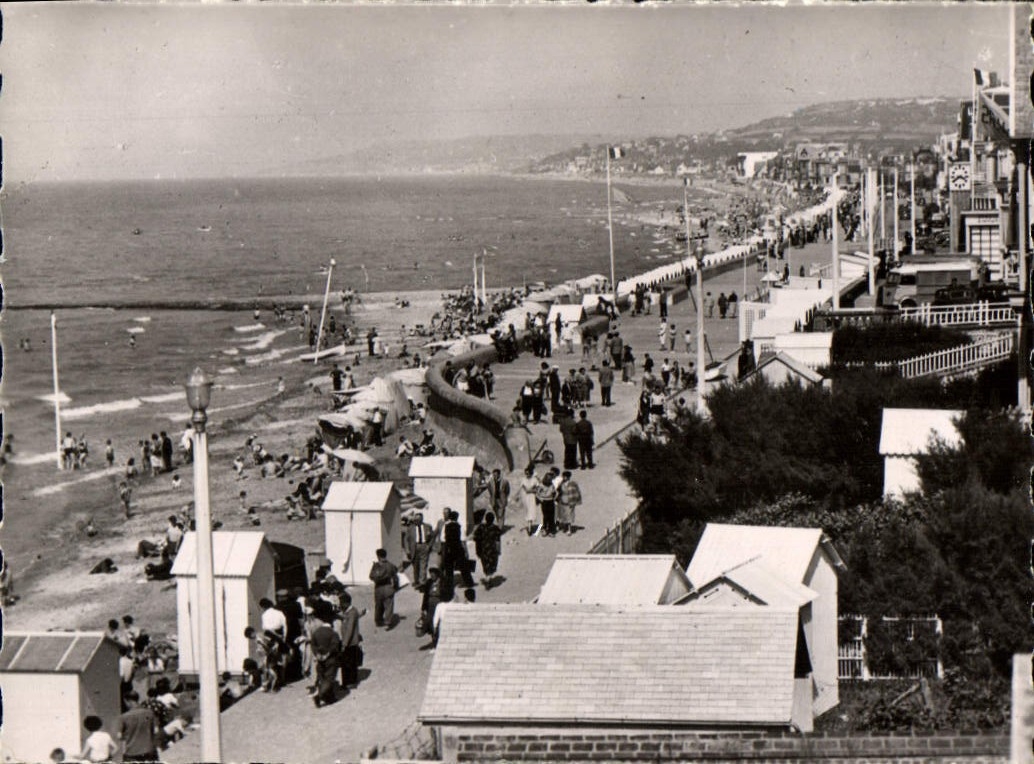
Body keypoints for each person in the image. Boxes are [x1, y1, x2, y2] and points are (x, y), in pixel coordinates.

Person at [309, 612, 342, 708]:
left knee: (322, 678)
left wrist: (317, 654)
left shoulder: (316, 632)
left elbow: (313, 645)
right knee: (329, 679)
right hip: (330, 659)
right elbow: (335, 646)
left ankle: (329, 698)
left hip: (319, 659)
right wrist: (327, 654)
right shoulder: (333, 633)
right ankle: (319, 696)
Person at [118, 691, 159, 762]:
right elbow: (156, 730)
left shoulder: (123, 717)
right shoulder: (150, 713)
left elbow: (119, 736)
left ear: (127, 701)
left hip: (132, 753)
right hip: (149, 751)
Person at [440, 510, 475, 595]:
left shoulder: (445, 526)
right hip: (458, 548)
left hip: (448, 549)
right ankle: (469, 583)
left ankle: (448, 585)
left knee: (449, 568)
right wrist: (466, 551)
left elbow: (442, 539)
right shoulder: (459, 526)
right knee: (464, 567)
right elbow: (463, 540)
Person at [337, 591, 364, 690]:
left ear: (346, 603)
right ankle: (348, 681)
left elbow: (350, 629)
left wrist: (344, 644)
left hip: (350, 642)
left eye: (341, 603)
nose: (340, 605)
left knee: (349, 663)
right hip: (349, 641)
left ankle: (350, 682)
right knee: (348, 663)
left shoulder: (352, 613)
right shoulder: (350, 611)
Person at [369, 548, 399, 629]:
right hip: (388, 587)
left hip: (378, 588)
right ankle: (388, 621)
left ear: (378, 556)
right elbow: (396, 574)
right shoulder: (390, 565)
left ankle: (378, 621)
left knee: (378, 605)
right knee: (389, 605)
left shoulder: (376, 566)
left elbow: (371, 576)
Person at [472, 511, 503, 585]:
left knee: (485, 563)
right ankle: (489, 577)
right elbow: (498, 540)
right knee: (492, 563)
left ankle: (487, 576)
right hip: (492, 549)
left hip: (483, 549)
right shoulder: (495, 528)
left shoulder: (481, 527)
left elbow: (475, 537)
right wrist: (499, 550)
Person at [404, 512, 433, 588]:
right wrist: (407, 550)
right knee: (416, 566)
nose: (417, 520)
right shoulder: (411, 528)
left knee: (423, 565)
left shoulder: (427, 527)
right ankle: (416, 581)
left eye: (419, 519)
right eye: (416, 519)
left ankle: (422, 582)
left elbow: (432, 537)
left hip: (424, 546)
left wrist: (429, 546)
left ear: (422, 519)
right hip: (414, 547)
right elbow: (406, 539)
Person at [558, 471, 583, 535]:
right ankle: (565, 527)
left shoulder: (572, 484)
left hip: (569, 501)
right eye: (563, 476)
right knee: (564, 515)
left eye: (565, 476)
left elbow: (576, 492)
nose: (564, 478)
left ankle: (569, 529)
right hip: (562, 501)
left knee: (569, 515)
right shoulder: (561, 484)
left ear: (568, 477)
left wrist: (575, 501)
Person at [535, 468, 559, 536]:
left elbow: (555, 492)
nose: (549, 480)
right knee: (545, 516)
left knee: (551, 516)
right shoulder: (541, 485)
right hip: (544, 502)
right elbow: (537, 493)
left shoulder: (552, 485)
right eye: (548, 479)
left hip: (551, 501)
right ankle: (545, 529)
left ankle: (551, 531)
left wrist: (555, 497)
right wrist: (540, 498)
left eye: (550, 479)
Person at [520, 467, 540, 536]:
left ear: (531, 473)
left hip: (532, 497)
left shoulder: (534, 480)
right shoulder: (523, 480)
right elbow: (524, 489)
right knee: (527, 511)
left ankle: (529, 528)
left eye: (528, 473)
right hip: (525, 497)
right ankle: (529, 526)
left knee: (531, 511)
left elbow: (537, 489)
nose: (527, 475)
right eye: (526, 473)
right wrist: (530, 490)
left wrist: (532, 490)